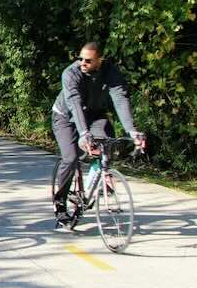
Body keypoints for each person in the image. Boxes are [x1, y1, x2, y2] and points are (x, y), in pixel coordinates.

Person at [51, 42, 146, 225]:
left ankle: (100, 176)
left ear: (99, 60)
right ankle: (60, 202)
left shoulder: (110, 72)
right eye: (80, 59)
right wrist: (84, 133)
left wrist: (132, 131)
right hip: (66, 116)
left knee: (107, 142)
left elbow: (120, 99)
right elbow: (74, 103)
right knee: (70, 158)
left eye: (88, 60)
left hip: (94, 115)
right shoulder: (71, 73)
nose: (83, 63)